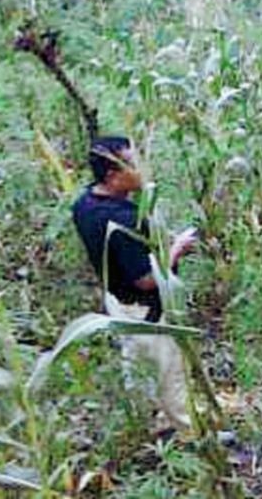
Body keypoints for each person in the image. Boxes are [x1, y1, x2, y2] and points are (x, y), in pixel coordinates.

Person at [72, 136, 198, 430]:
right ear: (113, 176)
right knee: (170, 373)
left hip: (118, 303)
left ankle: (150, 428)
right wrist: (177, 248)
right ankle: (188, 434)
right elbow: (146, 280)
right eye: (134, 164)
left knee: (138, 369)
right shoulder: (122, 220)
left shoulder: (85, 203)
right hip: (147, 313)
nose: (143, 168)